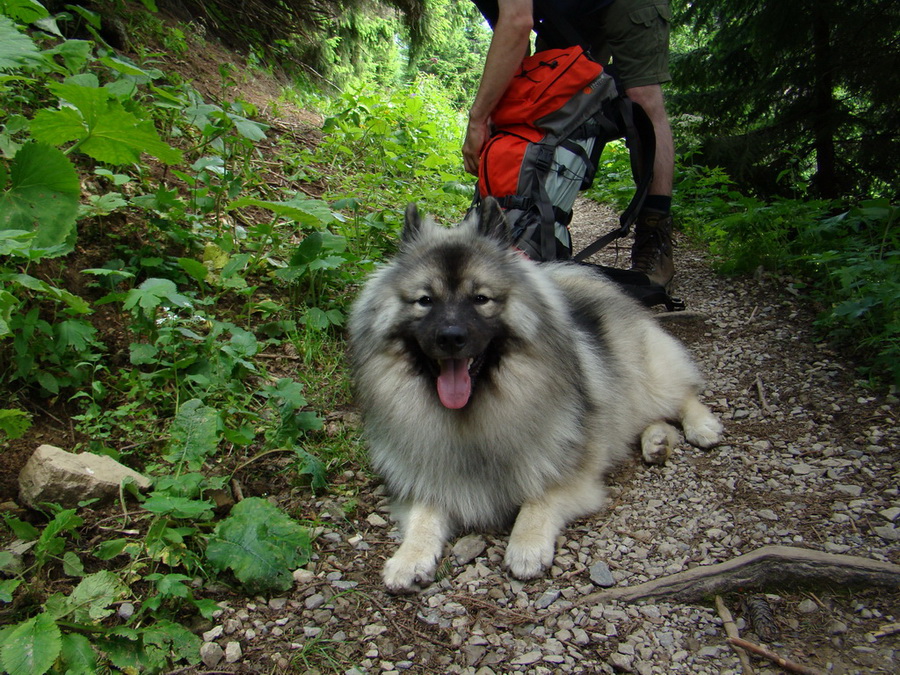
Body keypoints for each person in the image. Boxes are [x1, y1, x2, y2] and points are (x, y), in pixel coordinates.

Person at [463, 0, 676, 289]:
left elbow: (518, 21)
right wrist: (496, 106)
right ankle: (534, 231)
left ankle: (655, 234)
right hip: (562, 10)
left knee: (643, 95)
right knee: (545, 92)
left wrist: (479, 117)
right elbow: (514, 44)